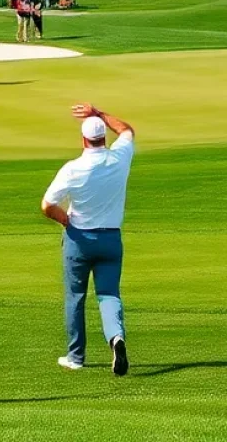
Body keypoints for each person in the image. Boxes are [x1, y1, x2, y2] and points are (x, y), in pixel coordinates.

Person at [41, 104, 134, 377]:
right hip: (110, 239)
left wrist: (64, 220)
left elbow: (47, 206)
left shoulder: (73, 168)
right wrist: (99, 112)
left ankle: (76, 357)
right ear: (103, 137)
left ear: (83, 140)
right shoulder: (119, 157)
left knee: (75, 297)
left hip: (79, 239)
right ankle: (116, 338)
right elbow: (127, 130)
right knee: (108, 295)